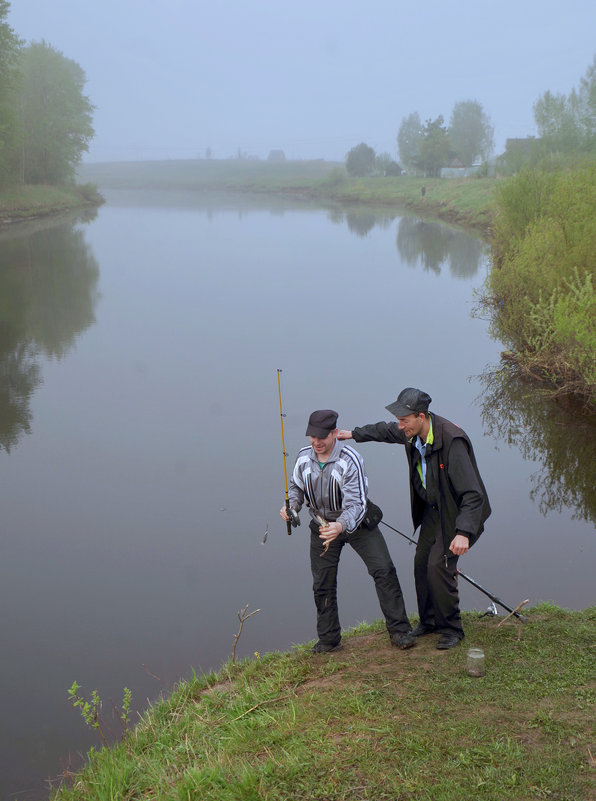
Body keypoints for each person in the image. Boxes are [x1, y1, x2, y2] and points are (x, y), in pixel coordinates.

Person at [337, 388, 491, 650]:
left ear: (421, 416)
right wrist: (353, 434)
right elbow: (386, 431)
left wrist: (464, 532)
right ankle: (429, 621)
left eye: (404, 420)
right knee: (421, 564)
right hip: (433, 510)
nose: (400, 426)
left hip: (457, 514)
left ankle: (452, 628)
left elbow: (473, 494)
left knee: (438, 567)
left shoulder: (452, 441)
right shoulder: (412, 432)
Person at [280, 409, 416, 653]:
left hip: (358, 525)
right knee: (322, 584)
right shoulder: (302, 458)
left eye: (322, 437)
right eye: (312, 437)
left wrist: (340, 526)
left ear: (334, 433)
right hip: (321, 527)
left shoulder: (350, 460)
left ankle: (400, 631)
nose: (316, 442)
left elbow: (357, 504)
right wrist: (291, 507)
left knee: (384, 570)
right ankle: (329, 640)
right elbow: (296, 489)